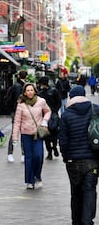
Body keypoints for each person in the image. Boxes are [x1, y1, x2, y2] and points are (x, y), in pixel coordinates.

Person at [59, 85, 99, 224]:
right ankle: (87, 221)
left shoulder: (66, 114)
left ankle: (76, 221)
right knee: (90, 191)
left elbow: (63, 140)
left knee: (75, 193)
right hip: (92, 160)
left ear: (70, 97)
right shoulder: (96, 109)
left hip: (73, 161)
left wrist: (66, 157)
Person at [12, 83, 51, 189]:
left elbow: (48, 111)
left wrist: (44, 121)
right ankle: (29, 180)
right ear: (24, 92)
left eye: (31, 90)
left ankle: (37, 176)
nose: (29, 92)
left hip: (37, 133)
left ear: (35, 91)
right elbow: (17, 121)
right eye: (27, 90)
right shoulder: (21, 104)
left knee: (38, 156)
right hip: (26, 134)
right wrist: (15, 137)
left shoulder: (41, 101)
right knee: (28, 158)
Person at [37, 76, 62, 160]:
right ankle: (54, 148)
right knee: (54, 133)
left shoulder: (40, 94)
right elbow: (59, 102)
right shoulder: (54, 91)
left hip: (45, 117)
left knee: (46, 136)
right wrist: (55, 111)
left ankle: (50, 152)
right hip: (53, 115)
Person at [7, 70, 27, 163]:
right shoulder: (21, 87)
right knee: (22, 132)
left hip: (14, 112)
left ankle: (10, 153)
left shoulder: (15, 85)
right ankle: (23, 153)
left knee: (14, 132)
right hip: (19, 112)